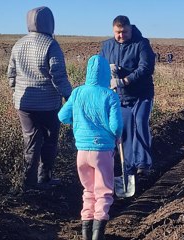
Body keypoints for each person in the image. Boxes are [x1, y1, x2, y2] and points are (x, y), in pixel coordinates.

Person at [58, 55, 123, 240]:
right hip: (102, 151)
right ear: (105, 74)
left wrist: (78, 121)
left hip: (82, 152)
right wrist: (117, 136)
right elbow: (116, 126)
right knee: (103, 190)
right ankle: (98, 233)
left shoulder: (78, 92)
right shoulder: (110, 95)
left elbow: (62, 116)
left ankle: (86, 231)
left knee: (88, 190)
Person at [7, 6, 72, 191]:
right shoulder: (51, 45)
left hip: (24, 103)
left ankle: (28, 182)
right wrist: (70, 98)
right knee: (49, 141)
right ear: (50, 23)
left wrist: (16, 92)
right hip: (48, 104)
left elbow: (11, 74)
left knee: (30, 140)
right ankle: (45, 177)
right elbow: (58, 76)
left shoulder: (18, 44)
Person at [99, 15, 155, 178]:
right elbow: (99, 65)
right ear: (113, 30)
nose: (121, 35)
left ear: (130, 29)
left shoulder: (141, 44)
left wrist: (125, 80)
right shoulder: (107, 46)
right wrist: (107, 70)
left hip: (141, 94)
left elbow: (145, 67)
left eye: (124, 32)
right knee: (126, 129)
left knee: (140, 122)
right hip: (120, 96)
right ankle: (129, 166)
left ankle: (143, 163)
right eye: (118, 32)